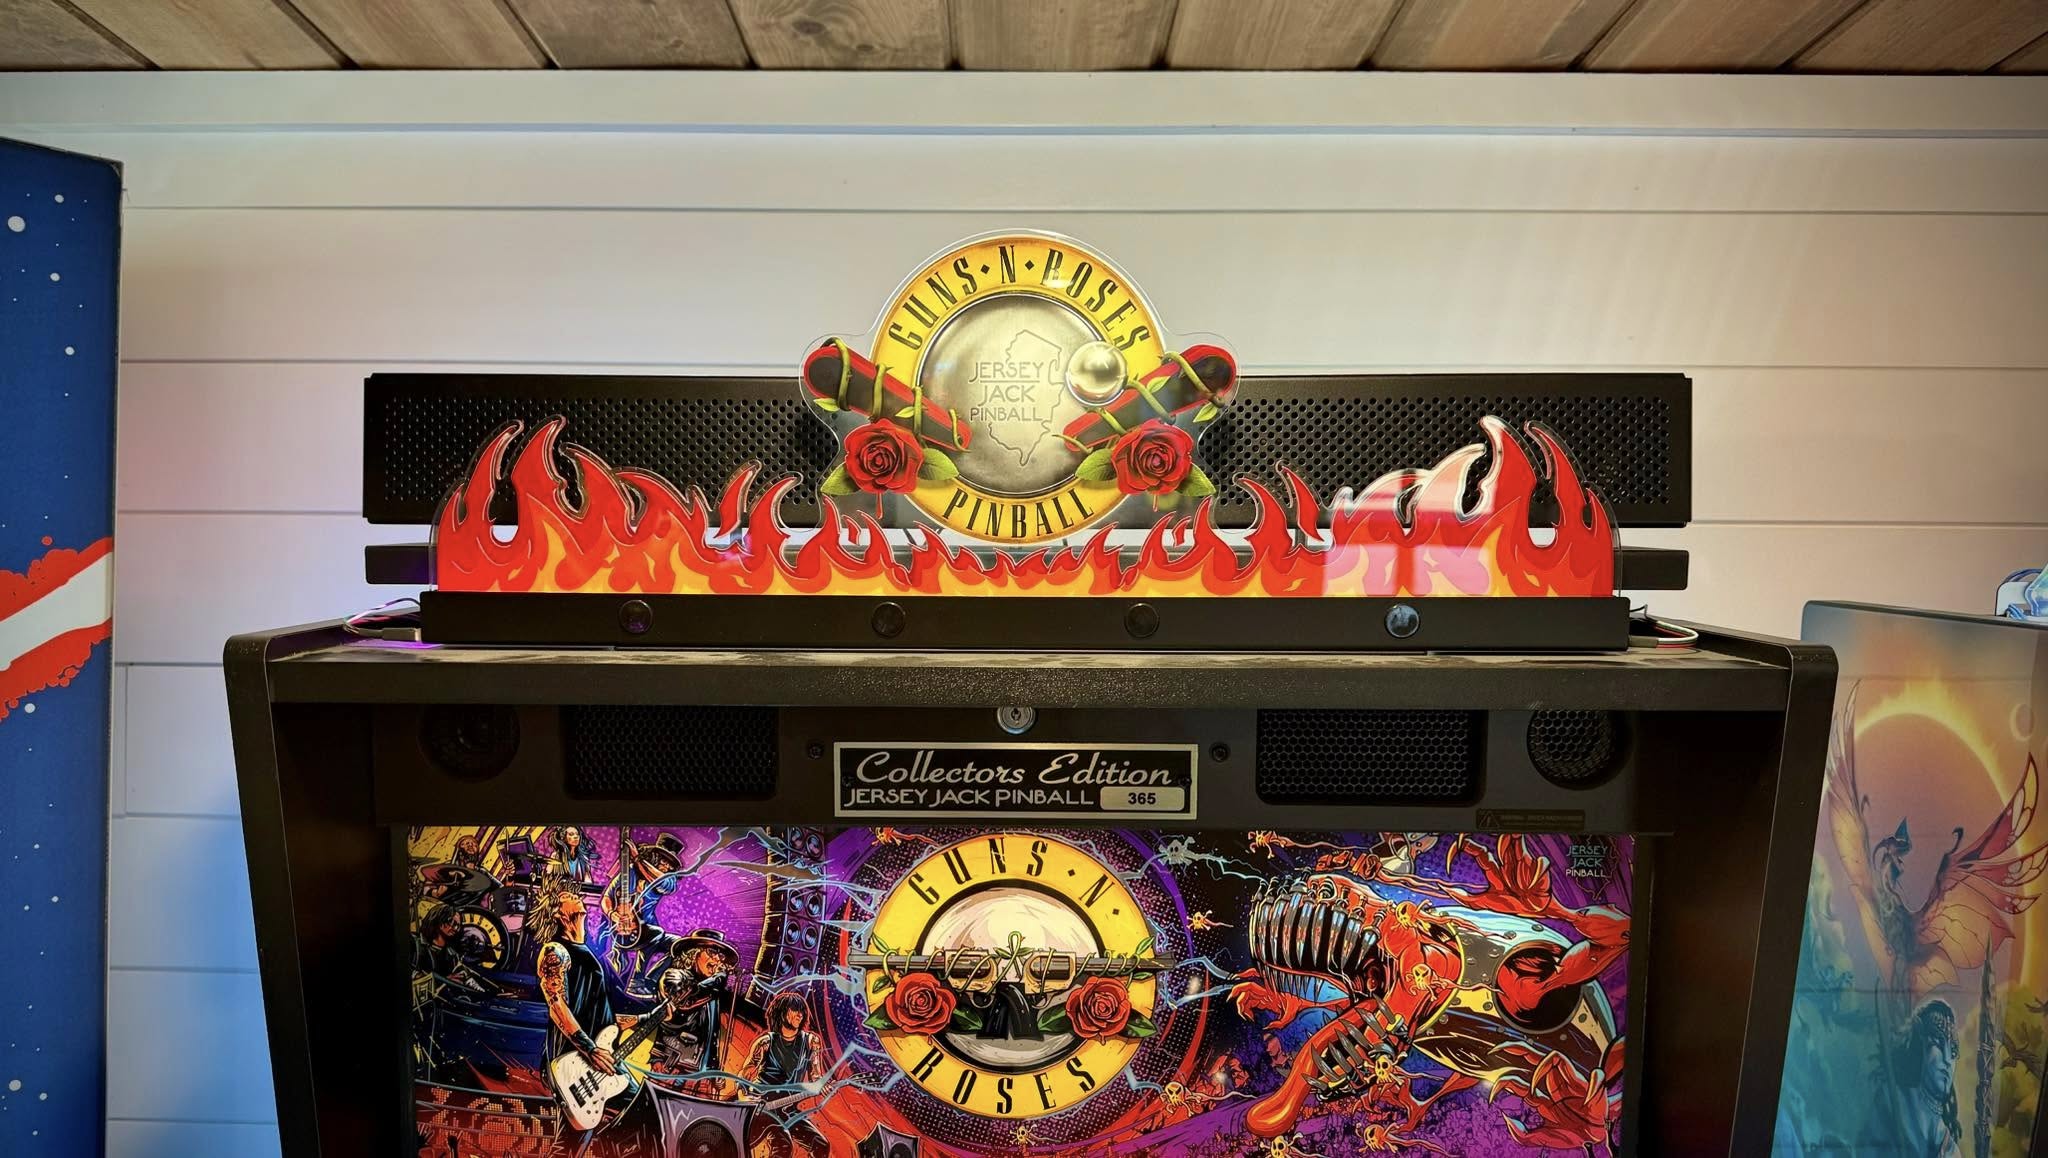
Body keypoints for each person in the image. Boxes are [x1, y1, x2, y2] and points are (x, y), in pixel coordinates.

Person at [530, 881, 629, 1157]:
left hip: (597, 1055)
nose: (576, 896)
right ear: (559, 914)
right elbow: (557, 1005)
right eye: (568, 896)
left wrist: (647, 1018)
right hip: (573, 1061)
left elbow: (597, 1011)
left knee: (578, 1139)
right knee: (571, 1142)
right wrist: (590, 1049)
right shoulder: (556, 950)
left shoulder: (585, 950)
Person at [738, 991, 830, 1158]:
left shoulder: (811, 1042)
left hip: (787, 1109)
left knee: (821, 1145)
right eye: (795, 1010)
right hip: (762, 1108)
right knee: (783, 1146)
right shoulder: (766, 1042)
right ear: (781, 1012)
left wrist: (822, 1086)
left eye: (802, 1011)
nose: (800, 1014)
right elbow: (744, 1075)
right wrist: (744, 1097)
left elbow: (816, 1077)